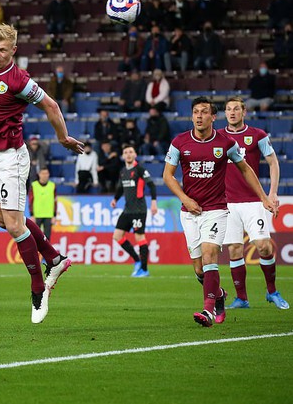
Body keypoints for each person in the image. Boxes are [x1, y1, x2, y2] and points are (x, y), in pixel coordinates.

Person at [0, 24, 84, 324]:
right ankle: (55, 259)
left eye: (3, 51)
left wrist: (63, 137)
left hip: (11, 158)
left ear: (14, 51)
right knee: (2, 219)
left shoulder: (19, 80)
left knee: (12, 225)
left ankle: (38, 289)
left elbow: (51, 104)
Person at [163, 96, 277, 327]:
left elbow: (245, 169)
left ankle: (208, 311)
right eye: (196, 112)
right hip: (189, 211)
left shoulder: (225, 143)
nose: (199, 116)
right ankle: (220, 295)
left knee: (209, 255)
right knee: (198, 269)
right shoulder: (179, 142)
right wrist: (185, 198)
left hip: (215, 209)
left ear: (213, 117)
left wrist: (264, 197)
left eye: (204, 112)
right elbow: (167, 175)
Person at [218, 97, 288, 310]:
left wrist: (272, 192)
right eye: (228, 109)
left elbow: (273, 162)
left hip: (252, 201)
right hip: (228, 203)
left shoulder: (257, 135)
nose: (232, 112)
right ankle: (242, 298)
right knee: (235, 250)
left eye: (236, 109)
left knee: (263, 246)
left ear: (244, 112)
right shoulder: (218, 136)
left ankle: (272, 291)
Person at [111, 145, 157, 277]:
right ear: (123, 156)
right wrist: (115, 199)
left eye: (131, 152)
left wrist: (154, 202)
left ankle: (144, 269)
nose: (128, 154)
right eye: (126, 152)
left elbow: (152, 185)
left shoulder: (140, 170)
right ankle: (137, 261)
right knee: (117, 236)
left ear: (135, 154)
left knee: (139, 238)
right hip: (127, 210)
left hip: (139, 210)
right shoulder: (123, 171)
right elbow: (120, 187)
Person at [29, 167, 57, 241]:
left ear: (49, 174)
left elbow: (55, 201)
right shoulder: (34, 185)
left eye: (46, 173)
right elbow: (31, 200)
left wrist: (54, 215)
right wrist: (31, 214)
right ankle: (35, 252)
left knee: (47, 238)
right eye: (43, 173)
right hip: (37, 215)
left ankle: (45, 252)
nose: (45, 175)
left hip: (48, 215)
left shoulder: (52, 185)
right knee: (35, 236)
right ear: (39, 174)